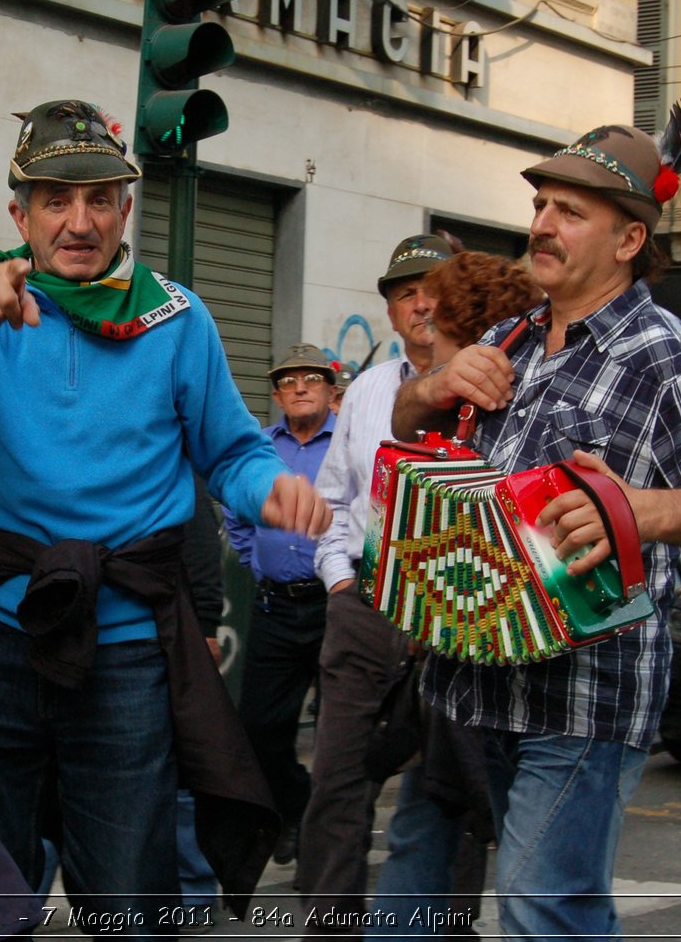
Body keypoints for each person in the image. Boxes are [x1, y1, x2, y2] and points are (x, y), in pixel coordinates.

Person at [0, 99, 329, 932]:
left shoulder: (177, 317)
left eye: (100, 198)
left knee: (132, 894)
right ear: (20, 214)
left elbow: (232, 452)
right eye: (56, 199)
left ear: (128, 209)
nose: (80, 221)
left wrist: (269, 490)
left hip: (128, 649)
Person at [393, 116, 681, 939]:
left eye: (570, 212)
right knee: (553, 910)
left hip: (584, 697)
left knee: (540, 910)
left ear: (630, 237)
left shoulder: (668, 357)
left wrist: (641, 506)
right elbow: (407, 435)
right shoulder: (509, 339)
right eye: (541, 205)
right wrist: (429, 389)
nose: (541, 225)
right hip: (476, 678)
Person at [367, 250, 543, 942]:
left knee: (513, 853)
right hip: (451, 670)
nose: (424, 332)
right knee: (430, 829)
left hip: (503, 675)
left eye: (438, 322)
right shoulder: (446, 405)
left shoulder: (497, 414)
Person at [299, 233, 452, 932]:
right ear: (390, 310)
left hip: (460, 617)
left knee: (448, 789)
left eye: (436, 289)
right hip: (366, 606)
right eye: (406, 293)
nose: (422, 304)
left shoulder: (500, 383)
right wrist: (337, 580)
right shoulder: (364, 391)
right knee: (336, 787)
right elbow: (334, 497)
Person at [224, 343, 340, 868]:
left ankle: (326, 841)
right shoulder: (260, 449)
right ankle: (296, 807)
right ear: (276, 395)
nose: (299, 388)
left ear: (330, 390)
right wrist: (258, 563)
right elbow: (237, 515)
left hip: (333, 607)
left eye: (311, 379)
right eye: (289, 381)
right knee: (260, 731)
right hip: (274, 608)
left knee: (343, 734)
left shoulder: (346, 444)